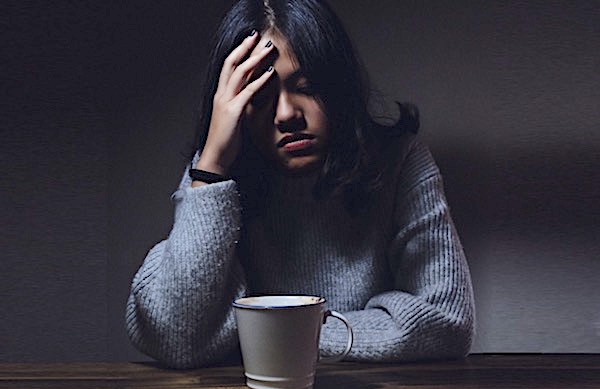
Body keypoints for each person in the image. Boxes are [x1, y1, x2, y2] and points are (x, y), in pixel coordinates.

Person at [125, 0, 475, 369]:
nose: (287, 114)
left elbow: (447, 320)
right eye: (259, 98)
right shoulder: (217, 177)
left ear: (340, 86)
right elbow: (174, 335)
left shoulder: (398, 161)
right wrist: (211, 167)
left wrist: (276, 337)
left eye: (306, 87)